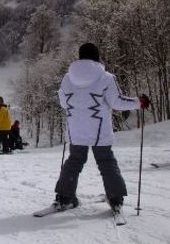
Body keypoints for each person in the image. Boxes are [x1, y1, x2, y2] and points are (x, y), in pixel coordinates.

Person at [47, 43, 150, 214]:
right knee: (106, 162)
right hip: (99, 129)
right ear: (97, 56)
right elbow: (116, 102)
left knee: (74, 161)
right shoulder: (106, 77)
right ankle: (115, 198)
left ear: (80, 57)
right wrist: (138, 102)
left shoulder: (67, 78)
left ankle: (64, 198)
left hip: (76, 129)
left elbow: (64, 103)